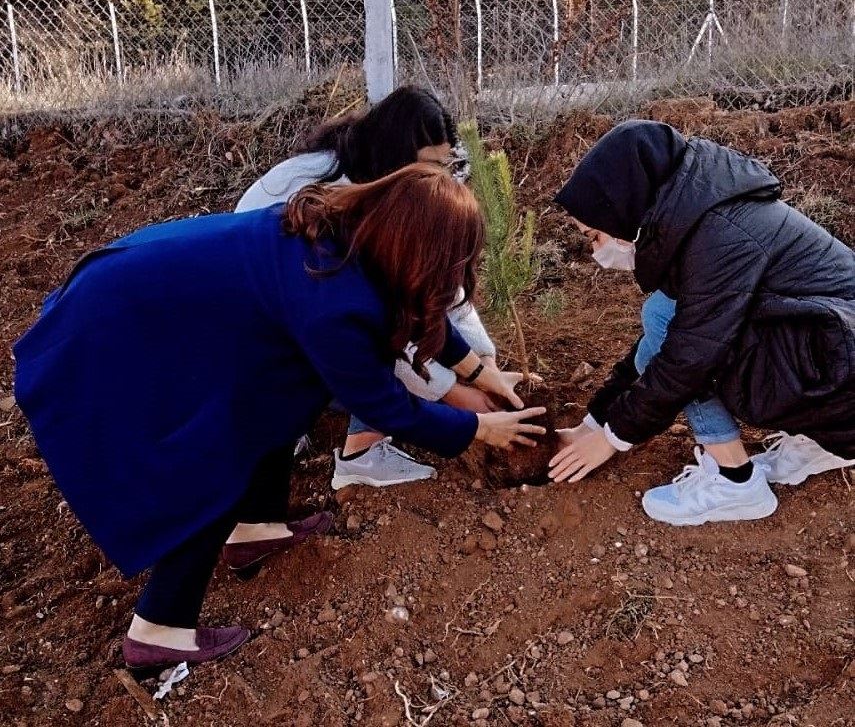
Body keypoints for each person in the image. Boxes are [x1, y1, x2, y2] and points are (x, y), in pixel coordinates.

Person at [13, 165, 545, 672]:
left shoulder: (354, 235)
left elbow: (407, 301)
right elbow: (388, 407)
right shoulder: (332, 301)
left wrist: (480, 371)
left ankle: (256, 528)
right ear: (421, 252)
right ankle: (159, 629)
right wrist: (478, 428)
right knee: (205, 461)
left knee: (276, 398)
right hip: (118, 331)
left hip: (152, 303)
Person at [548, 120, 855, 525]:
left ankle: (735, 482)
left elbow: (687, 358)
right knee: (665, 317)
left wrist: (611, 439)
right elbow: (664, 339)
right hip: (834, 353)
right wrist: (596, 421)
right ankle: (821, 442)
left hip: (838, 366)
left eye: (594, 237)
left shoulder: (720, 238)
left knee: (673, 331)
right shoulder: (706, 216)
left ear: (623, 210)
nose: (596, 253)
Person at [237, 85, 501, 489]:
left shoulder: (386, 187)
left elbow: (437, 284)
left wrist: (485, 361)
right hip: (262, 325)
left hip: (295, 309)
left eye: (444, 166)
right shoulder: (334, 199)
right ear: (396, 151)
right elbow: (383, 322)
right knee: (373, 356)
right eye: (430, 163)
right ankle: (355, 451)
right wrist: (456, 397)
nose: (438, 177)